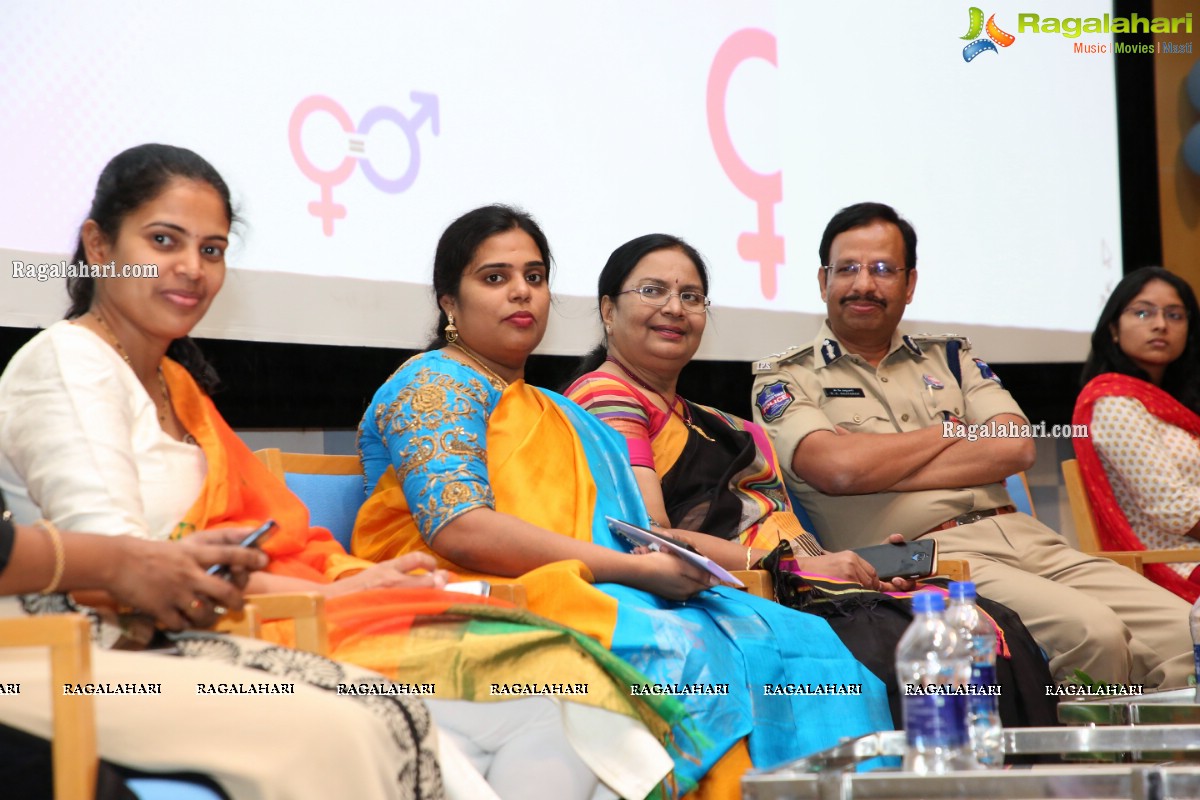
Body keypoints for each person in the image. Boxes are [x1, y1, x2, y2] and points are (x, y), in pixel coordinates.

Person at [0, 144, 679, 800]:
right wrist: (336, 596)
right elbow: (133, 570)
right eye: (164, 242)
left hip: (226, 619)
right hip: (115, 654)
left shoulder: (176, 387)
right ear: (98, 246)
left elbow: (244, 546)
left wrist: (358, 581)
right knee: (417, 721)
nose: (191, 268)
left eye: (212, 250)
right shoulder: (71, 362)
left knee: (571, 704)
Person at [351, 205, 893, 796]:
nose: (521, 294)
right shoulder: (435, 382)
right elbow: (460, 530)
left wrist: (670, 567)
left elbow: (618, 524)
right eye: (494, 278)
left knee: (799, 643)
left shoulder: (556, 412)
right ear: (449, 303)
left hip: (577, 578)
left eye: (534, 277)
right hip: (465, 590)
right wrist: (637, 569)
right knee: (692, 653)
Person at [564, 232, 1057, 729]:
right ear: (607, 310)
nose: (674, 308)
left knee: (981, 625)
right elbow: (651, 539)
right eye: (652, 291)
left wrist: (859, 566)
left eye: (690, 297)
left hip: (795, 585)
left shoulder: (719, 422)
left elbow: (776, 526)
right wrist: (791, 568)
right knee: (916, 654)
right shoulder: (610, 396)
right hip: (743, 596)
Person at [750, 201, 1194, 689]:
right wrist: (955, 430)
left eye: (882, 269)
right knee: (1095, 634)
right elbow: (836, 470)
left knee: (1187, 631)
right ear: (822, 281)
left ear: (909, 283)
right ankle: (1080, 762)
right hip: (924, 558)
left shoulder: (952, 358)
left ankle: (1155, 756)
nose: (863, 284)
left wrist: (875, 460)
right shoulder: (786, 375)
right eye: (847, 269)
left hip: (1026, 537)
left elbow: (1015, 445)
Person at [0, 491, 446, 800]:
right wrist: (123, 566)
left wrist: (166, 565)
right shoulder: (68, 367)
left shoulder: (179, 390)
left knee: (381, 702)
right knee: (317, 730)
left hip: (71, 620)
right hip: (30, 654)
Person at [1073, 266, 1200, 602]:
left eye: (1175, 315)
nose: (1160, 324)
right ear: (1113, 327)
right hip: (1172, 564)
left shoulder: (1173, 405)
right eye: (1143, 312)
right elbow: (1175, 509)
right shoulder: (1114, 402)